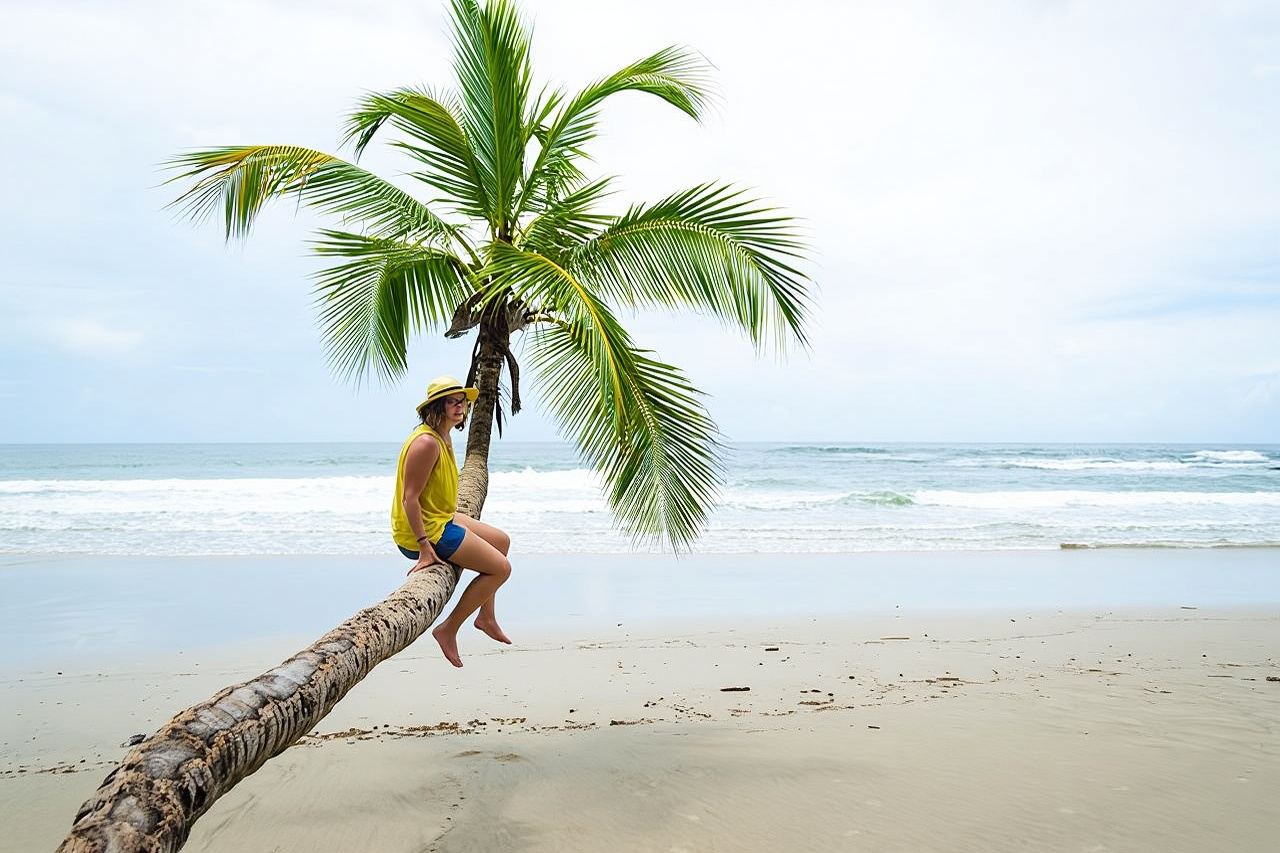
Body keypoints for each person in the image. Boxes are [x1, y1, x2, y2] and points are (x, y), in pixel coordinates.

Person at [391, 375, 513, 667]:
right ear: (437, 407)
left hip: (439, 517)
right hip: (423, 531)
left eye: (462, 401)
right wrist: (424, 548)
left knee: (501, 541)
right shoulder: (426, 443)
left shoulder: (443, 437)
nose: (460, 407)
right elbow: (410, 499)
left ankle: (486, 617)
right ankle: (448, 629)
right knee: (501, 569)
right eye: (452, 402)